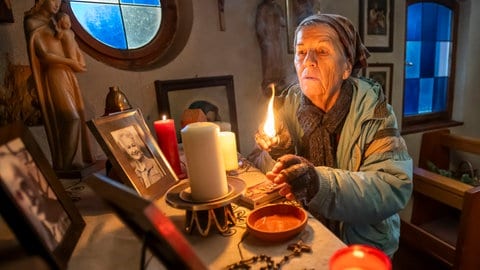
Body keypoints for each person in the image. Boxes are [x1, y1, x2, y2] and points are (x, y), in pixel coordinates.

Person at [249, 13, 413, 258]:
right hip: (306, 232)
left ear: (346, 66)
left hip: (360, 245)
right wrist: (278, 151)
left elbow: (392, 188)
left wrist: (318, 183)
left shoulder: (374, 112)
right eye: (301, 51)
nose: (308, 61)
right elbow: (269, 176)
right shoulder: (290, 105)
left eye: (322, 52)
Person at [24, 0, 95, 171]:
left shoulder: (59, 22)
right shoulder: (32, 22)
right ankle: (64, 165)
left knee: (78, 116)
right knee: (71, 118)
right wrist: (70, 62)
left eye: (59, 0)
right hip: (54, 73)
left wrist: (74, 61)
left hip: (68, 74)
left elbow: (72, 49)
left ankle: (73, 161)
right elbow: (43, 54)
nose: (56, 4)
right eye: (53, 0)